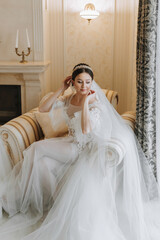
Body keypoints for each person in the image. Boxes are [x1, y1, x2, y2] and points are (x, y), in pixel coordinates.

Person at [0, 63, 160, 240]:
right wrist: (61, 88)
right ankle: (57, 207)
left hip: (80, 149)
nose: (84, 86)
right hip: (67, 143)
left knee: (35, 149)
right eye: (79, 82)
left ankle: (15, 198)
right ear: (72, 83)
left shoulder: (95, 102)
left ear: (92, 82)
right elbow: (44, 109)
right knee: (41, 164)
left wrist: (85, 103)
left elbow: (85, 130)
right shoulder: (69, 98)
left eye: (88, 82)